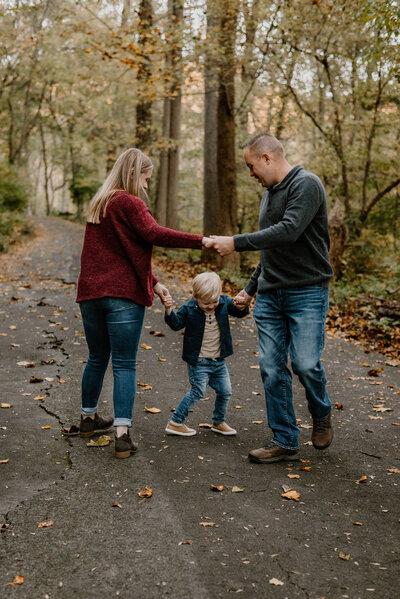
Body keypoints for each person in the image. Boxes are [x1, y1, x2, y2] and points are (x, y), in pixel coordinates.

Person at [76, 148, 210, 458]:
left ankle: (87, 419)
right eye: (146, 179)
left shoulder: (100, 203)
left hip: (91, 295)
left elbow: (114, 256)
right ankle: (122, 435)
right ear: (134, 173)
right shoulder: (129, 202)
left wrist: (155, 282)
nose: (147, 186)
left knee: (97, 356)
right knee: (123, 363)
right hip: (121, 298)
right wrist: (201, 241)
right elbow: (154, 233)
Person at [208, 133, 334, 463]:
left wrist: (235, 242)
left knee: (306, 365)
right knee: (271, 368)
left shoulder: (306, 185)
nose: (250, 173)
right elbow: (270, 249)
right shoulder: (268, 195)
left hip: (307, 291)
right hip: (270, 296)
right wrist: (250, 289)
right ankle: (285, 439)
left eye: (251, 166)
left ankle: (321, 412)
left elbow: (289, 230)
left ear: (267, 158)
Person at [163, 271, 249, 437]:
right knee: (198, 391)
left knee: (225, 391)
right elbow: (176, 324)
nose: (211, 306)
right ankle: (176, 422)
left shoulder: (223, 302)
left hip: (218, 361)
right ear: (195, 296)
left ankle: (218, 422)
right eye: (206, 303)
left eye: (214, 301)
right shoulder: (189, 308)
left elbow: (239, 312)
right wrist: (168, 310)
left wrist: (244, 303)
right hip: (199, 362)